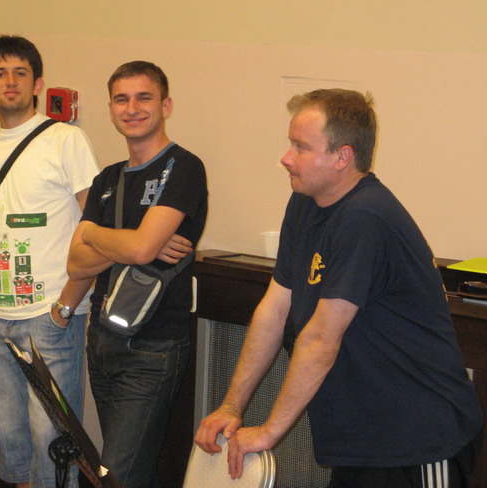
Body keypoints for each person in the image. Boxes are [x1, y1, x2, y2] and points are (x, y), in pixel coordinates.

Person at [194, 89, 483, 488]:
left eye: (301, 147)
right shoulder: (305, 203)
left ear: (342, 157)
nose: (286, 157)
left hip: (418, 438)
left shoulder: (366, 218)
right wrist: (231, 405)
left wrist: (269, 431)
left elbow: (321, 339)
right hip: (364, 438)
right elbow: (274, 310)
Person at [0, 35, 100, 488]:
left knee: (52, 442)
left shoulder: (66, 139)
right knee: (11, 439)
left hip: (49, 316)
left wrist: (66, 307)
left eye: (20, 73)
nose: (11, 81)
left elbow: (94, 227)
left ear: (37, 83)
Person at [62, 61, 208, 488]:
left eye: (144, 97)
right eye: (121, 99)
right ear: (111, 109)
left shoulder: (184, 167)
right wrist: (134, 241)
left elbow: (141, 249)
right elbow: (76, 264)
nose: (132, 108)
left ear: (166, 105)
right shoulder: (107, 178)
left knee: (119, 473)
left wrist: (94, 234)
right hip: (102, 339)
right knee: (125, 470)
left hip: (153, 348)